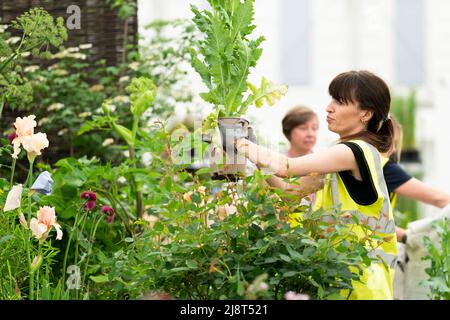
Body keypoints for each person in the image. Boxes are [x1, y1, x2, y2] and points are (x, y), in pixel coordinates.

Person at [234, 70, 398, 300]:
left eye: (340, 102)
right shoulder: (340, 155)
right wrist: (254, 155)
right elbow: (291, 193)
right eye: (332, 99)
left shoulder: (354, 151)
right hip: (341, 274)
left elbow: (286, 167)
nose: (329, 107)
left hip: (362, 282)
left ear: (366, 114)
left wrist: (240, 142)